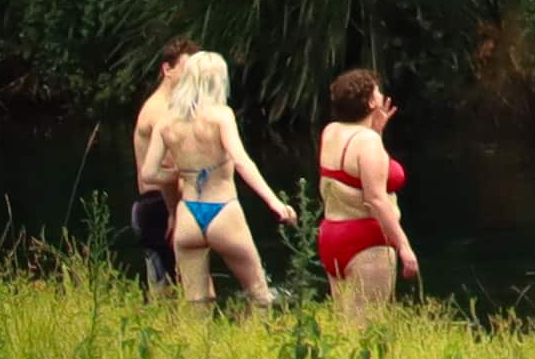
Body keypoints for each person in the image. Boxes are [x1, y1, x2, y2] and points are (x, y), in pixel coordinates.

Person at [142, 50, 292, 308]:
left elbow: (149, 174)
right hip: (223, 211)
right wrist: (274, 202)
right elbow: (242, 161)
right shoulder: (221, 115)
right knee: (260, 295)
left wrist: (182, 173)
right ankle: (256, 343)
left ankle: (195, 345)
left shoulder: (166, 122)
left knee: (196, 303)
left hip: (188, 214)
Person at [314, 69, 418, 317]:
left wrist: (376, 131)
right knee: (366, 328)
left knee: (343, 325)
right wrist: (404, 246)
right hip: (365, 241)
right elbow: (375, 200)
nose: (382, 95)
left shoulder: (331, 131)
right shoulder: (367, 142)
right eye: (377, 92)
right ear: (371, 102)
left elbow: (355, 169)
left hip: (331, 234)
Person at [128, 40, 200, 287]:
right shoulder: (159, 111)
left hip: (169, 203)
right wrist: (173, 212)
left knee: (182, 282)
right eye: (186, 69)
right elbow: (168, 170)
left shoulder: (176, 108)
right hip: (159, 205)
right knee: (168, 287)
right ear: (166, 69)